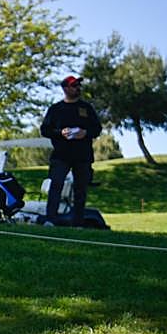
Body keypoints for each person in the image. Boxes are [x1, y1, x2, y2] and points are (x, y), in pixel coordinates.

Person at [39, 75, 101, 226]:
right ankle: (50, 220)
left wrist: (85, 133)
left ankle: (78, 223)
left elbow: (97, 129)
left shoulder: (86, 108)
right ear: (65, 88)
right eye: (74, 86)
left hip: (83, 155)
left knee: (80, 190)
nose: (77, 88)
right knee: (56, 186)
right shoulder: (55, 109)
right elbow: (45, 130)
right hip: (61, 155)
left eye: (79, 86)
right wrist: (60, 133)